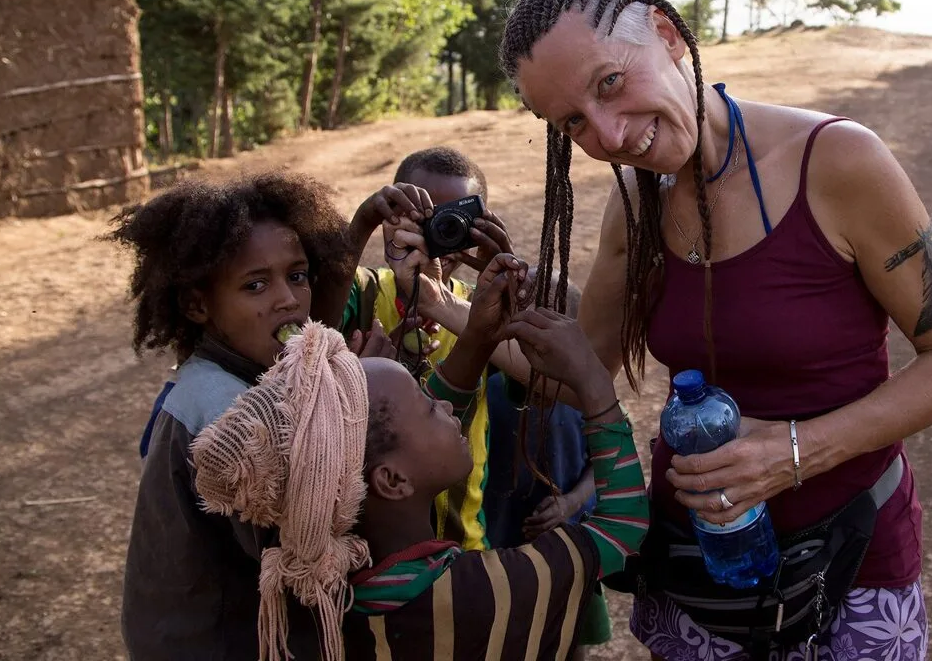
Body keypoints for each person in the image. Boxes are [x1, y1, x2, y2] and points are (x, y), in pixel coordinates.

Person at [487, 0, 932, 660]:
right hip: (699, 582)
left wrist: (792, 454)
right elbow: (578, 375)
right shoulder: (634, 209)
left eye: (609, 82)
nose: (607, 134)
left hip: (849, 566)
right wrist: (461, 316)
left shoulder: (839, 160)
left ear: (667, 36)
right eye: (573, 121)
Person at [189, 255, 648, 661]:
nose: (446, 405)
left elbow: (407, 439)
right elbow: (623, 531)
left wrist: (476, 337)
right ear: (393, 481)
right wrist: (593, 383)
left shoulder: (323, 589)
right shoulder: (486, 593)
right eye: (430, 407)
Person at [111, 172, 361, 660]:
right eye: (255, 285)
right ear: (196, 304)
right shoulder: (227, 410)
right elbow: (300, 552)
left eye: (297, 275)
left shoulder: (240, 374)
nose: (288, 299)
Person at [339, 146, 513, 551]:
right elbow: (316, 315)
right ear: (391, 221)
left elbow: (540, 378)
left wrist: (502, 281)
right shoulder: (360, 294)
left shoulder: (479, 306)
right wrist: (359, 225)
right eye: (428, 220)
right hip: (363, 548)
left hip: (461, 538)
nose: (444, 236)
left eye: (458, 223)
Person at [482, 276, 613, 656]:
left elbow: (602, 467)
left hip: (568, 549)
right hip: (498, 550)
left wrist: (571, 503)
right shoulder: (488, 390)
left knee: (568, 636)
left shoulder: (588, 399)